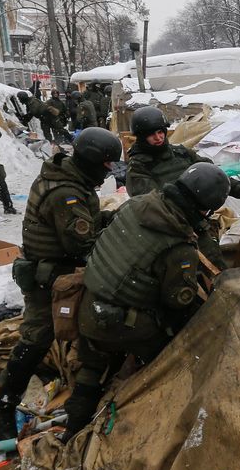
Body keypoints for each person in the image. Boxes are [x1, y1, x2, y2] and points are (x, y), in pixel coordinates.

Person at [63, 162, 231, 436]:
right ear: (204, 208)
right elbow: (179, 305)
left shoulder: (138, 205)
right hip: (119, 325)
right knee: (174, 355)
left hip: (89, 305)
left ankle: (73, 429)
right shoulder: (178, 246)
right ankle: (154, 416)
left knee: (92, 369)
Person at [0, 127, 123, 439]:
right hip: (49, 279)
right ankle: (4, 405)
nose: (107, 173)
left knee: (82, 331)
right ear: (92, 161)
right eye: (106, 166)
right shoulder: (65, 193)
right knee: (37, 339)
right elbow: (81, 244)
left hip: (60, 273)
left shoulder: (69, 177)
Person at [125, 106, 240, 265]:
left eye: (160, 132)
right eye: (152, 135)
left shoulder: (181, 153)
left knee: (215, 260)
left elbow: (214, 177)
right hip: (171, 225)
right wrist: (192, 217)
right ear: (142, 137)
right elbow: (153, 204)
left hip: (197, 218)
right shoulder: (138, 168)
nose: (158, 137)